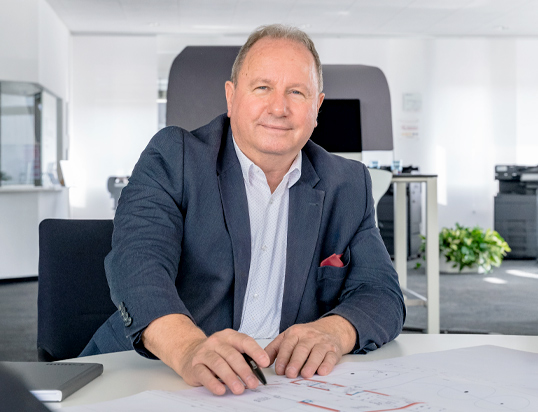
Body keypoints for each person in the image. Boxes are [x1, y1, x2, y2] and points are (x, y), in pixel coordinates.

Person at [80, 24, 405, 396]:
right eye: (262, 87)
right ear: (231, 97)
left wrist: (333, 331)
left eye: (296, 92)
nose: (279, 108)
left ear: (316, 107)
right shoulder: (176, 157)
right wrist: (188, 348)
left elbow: (382, 294)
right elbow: (138, 263)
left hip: (281, 386)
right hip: (151, 375)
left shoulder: (348, 184)